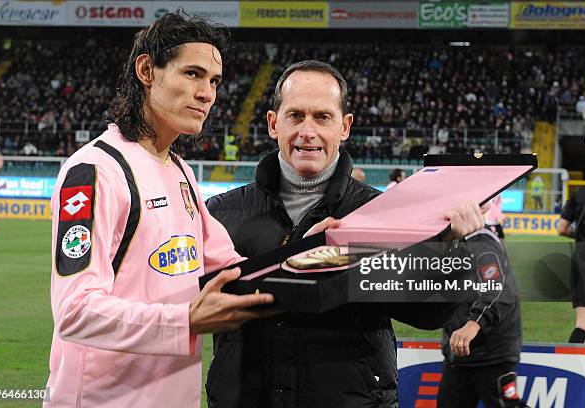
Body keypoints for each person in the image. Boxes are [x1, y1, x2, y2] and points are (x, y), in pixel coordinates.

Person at [205, 60, 488, 408]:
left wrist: (448, 246)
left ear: (345, 127)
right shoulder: (219, 213)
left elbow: (427, 313)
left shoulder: (384, 213)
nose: (307, 131)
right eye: (295, 116)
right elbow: (195, 304)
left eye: (322, 117)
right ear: (272, 123)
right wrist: (307, 252)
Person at [45, 13, 276, 407]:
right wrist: (184, 321)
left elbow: (233, 268)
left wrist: (310, 248)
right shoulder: (96, 172)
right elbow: (74, 311)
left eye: (214, 81)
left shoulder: (181, 170)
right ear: (147, 70)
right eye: (192, 73)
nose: (207, 93)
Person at [437, 229, 523, 408]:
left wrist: (474, 323)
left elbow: (501, 290)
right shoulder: (451, 243)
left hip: (491, 354)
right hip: (459, 354)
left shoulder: (482, 242)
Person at [558, 167, 585, 344]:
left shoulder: (580, 193)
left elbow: (562, 229)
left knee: (582, 324)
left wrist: (580, 234)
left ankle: (570, 365)